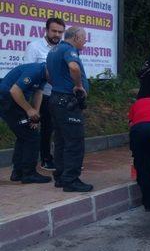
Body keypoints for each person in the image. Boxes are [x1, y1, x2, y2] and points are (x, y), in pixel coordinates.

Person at [47, 27, 93, 192]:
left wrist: (59, 86)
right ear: (76, 37)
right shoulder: (68, 50)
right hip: (67, 102)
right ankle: (71, 180)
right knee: (74, 142)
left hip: (55, 100)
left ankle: (60, 176)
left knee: (60, 141)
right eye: (84, 38)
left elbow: (48, 74)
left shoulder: (54, 50)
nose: (85, 41)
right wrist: (79, 86)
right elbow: (74, 68)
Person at [24, 17, 66, 171]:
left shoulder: (63, 48)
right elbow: (28, 72)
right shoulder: (34, 47)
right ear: (46, 30)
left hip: (59, 93)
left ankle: (56, 158)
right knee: (45, 127)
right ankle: (45, 159)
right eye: (54, 31)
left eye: (60, 32)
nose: (57, 34)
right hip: (40, 94)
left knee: (57, 127)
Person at [0, 63, 52, 184]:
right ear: (51, 69)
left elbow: (38, 93)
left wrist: (35, 115)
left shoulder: (44, 75)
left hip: (15, 102)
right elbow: (14, 91)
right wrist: (29, 110)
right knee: (32, 137)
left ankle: (18, 172)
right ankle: (28, 174)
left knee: (24, 135)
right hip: (7, 99)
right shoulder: (35, 71)